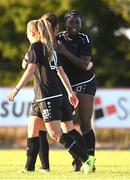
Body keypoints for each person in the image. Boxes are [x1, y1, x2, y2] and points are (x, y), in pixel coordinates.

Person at [7, 14, 95, 174]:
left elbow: (30, 69)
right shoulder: (49, 48)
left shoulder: (37, 47)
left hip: (47, 94)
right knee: (33, 129)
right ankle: (29, 168)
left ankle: (86, 160)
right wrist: (69, 92)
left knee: (55, 133)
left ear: (32, 33)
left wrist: (16, 89)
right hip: (44, 95)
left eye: (27, 33)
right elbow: (61, 72)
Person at [57, 9, 97, 172]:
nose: (74, 25)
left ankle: (91, 162)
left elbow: (83, 64)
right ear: (65, 23)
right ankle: (78, 159)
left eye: (77, 22)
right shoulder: (57, 37)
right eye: (71, 22)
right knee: (67, 126)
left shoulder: (85, 39)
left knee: (85, 124)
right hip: (67, 84)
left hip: (85, 82)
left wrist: (64, 51)